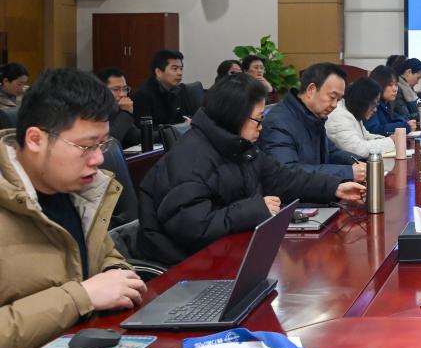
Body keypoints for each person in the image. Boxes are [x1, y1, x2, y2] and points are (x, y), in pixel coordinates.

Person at [136, 74, 366, 267]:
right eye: (258, 119)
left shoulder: (238, 146)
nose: (261, 127)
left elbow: (283, 177)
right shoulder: (191, 159)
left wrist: (334, 187)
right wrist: (254, 209)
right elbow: (193, 228)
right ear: (234, 116)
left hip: (229, 252)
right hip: (188, 266)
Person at [0, 68, 147, 348]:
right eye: (86, 146)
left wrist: (115, 275)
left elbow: (105, 256)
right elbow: (84, 293)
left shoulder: (78, 191)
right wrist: (81, 297)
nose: (99, 158)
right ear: (36, 140)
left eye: (102, 144)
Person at [259, 62, 365, 183]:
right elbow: (287, 172)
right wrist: (348, 172)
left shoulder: (313, 117)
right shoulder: (278, 122)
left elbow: (332, 152)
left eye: (339, 100)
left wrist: (362, 163)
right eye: (332, 97)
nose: (335, 105)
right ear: (311, 90)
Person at [326, 77, 396, 158]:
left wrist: (388, 139)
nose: (375, 109)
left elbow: (365, 136)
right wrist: (390, 141)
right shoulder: (339, 117)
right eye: (374, 104)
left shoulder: (352, 112)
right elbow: (358, 150)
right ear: (363, 101)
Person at [131, 49, 189, 126]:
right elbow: (146, 130)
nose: (180, 73)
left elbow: (183, 118)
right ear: (158, 72)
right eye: (175, 69)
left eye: (181, 69)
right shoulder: (143, 96)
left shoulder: (179, 90)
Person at [96, 67, 141, 148]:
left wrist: (163, 132)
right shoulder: (94, 111)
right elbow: (108, 143)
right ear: (101, 90)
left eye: (125, 89)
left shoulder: (118, 108)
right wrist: (126, 113)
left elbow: (135, 136)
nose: (123, 94)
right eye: (116, 89)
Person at [365, 65, 416, 136]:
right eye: (390, 85)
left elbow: (402, 118)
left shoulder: (387, 103)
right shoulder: (371, 104)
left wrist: (405, 124)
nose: (395, 89)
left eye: (396, 85)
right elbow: (374, 130)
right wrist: (405, 126)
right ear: (379, 84)